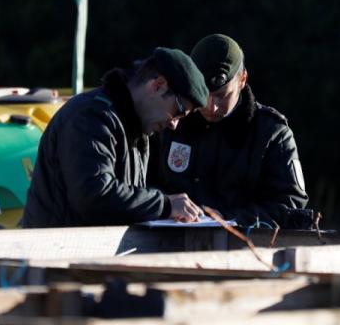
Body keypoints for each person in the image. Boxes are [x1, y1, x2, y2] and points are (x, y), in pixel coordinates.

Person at [21, 47, 209, 227]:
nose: (174, 124)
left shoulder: (137, 129)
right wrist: (165, 205)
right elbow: (93, 195)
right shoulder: (89, 117)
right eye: (179, 111)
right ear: (158, 85)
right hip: (54, 255)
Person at [154, 34, 311, 228]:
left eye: (222, 96)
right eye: (204, 94)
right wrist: (166, 206)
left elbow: (289, 205)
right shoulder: (171, 120)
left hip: (242, 248)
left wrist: (229, 218)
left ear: (242, 79)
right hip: (167, 246)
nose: (212, 107)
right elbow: (144, 184)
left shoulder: (272, 133)